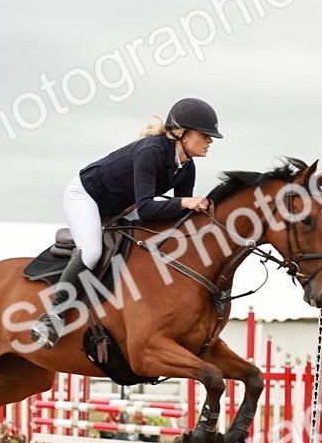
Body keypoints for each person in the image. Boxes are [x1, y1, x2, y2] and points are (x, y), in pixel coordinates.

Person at [29, 97, 223, 349]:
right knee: (92, 251)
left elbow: (177, 218)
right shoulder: (151, 151)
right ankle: (51, 317)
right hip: (87, 196)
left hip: (121, 206)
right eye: (205, 134)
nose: (210, 141)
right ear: (182, 134)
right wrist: (187, 203)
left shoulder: (187, 167)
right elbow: (146, 207)